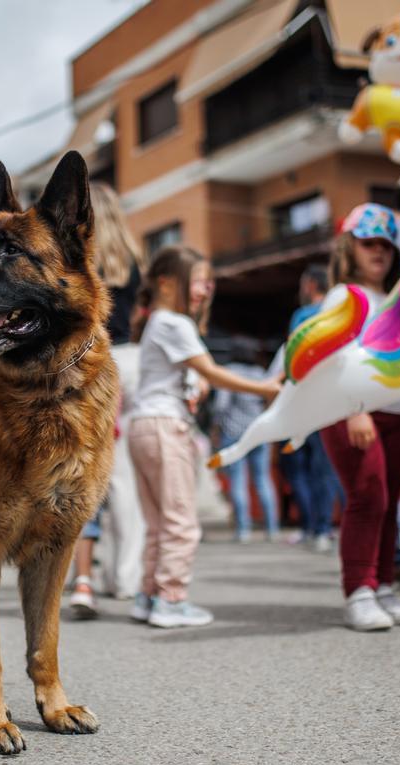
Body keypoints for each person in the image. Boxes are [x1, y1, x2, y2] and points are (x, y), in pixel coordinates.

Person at [128, 245, 281, 628]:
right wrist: (264, 388)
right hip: (166, 427)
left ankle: (148, 597)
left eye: (208, 283)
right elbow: (211, 372)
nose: (205, 290)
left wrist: (196, 387)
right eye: (198, 281)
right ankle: (171, 600)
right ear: (167, 282)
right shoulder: (175, 323)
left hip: (143, 426)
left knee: (159, 523)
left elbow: (197, 378)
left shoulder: (156, 323)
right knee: (181, 522)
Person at [317, 204, 400, 632]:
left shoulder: (396, 298)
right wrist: (357, 410)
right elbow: (333, 355)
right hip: (355, 414)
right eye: (368, 243)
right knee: (368, 499)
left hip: (397, 413)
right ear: (350, 247)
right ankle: (359, 591)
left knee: (388, 504)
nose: (378, 251)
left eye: (385, 244)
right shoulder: (345, 296)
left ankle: (382, 586)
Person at [68, 183, 148, 616]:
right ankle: (126, 576)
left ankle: (80, 573)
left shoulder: (82, 256)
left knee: (92, 470)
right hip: (133, 360)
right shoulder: (133, 258)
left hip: (97, 359)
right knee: (126, 480)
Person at [281, 265, 345, 552]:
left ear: (309, 285)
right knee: (329, 468)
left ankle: (314, 527)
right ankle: (326, 528)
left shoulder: (302, 316)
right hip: (335, 399)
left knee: (305, 469)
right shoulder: (336, 312)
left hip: (306, 400)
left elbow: (293, 358)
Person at [212, 341, 280, 543]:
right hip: (258, 431)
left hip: (234, 432)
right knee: (263, 480)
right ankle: (272, 528)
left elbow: (221, 406)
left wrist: (216, 428)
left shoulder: (230, 371)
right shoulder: (261, 373)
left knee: (238, 481)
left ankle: (243, 530)